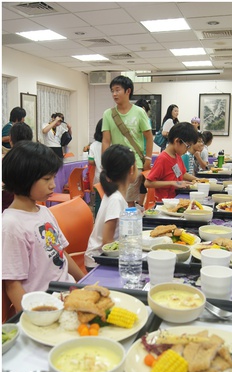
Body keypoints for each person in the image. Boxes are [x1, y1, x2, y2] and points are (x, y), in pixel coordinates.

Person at [2, 141, 85, 312]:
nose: (53, 184)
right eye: (47, 179)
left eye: (53, 177)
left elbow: (61, 253)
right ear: (24, 178)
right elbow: (12, 285)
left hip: (67, 295)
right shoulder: (11, 225)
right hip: (45, 307)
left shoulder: (44, 212)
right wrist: (33, 317)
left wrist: (85, 282)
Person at [101, 75, 153, 207]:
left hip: (134, 164)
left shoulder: (139, 112)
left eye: (117, 90)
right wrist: (105, 164)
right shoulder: (108, 114)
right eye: (112, 91)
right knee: (115, 199)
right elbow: (106, 141)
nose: (114, 94)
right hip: (115, 165)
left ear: (128, 91)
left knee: (129, 201)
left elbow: (149, 137)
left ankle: (127, 220)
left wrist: (148, 159)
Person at [85, 145, 137, 269]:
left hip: (105, 257)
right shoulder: (116, 199)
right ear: (131, 169)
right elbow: (107, 242)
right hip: (98, 261)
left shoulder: (115, 196)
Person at [145, 122, 198, 200]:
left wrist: (197, 180)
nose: (187, 150)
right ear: (177, 141)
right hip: (164, 201)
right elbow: (148, 183)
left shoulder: (177, 156)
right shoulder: (163, 159)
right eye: (187, 146)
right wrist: (172, 183)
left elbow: (182, 174)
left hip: (175, 198)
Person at [2, 122, 34, 212]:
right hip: (31, 205)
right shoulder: (36, 160)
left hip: (7, 207)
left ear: (10, 139)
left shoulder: (6, 161)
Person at [134, 99, 152, 209]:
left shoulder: (136, 119)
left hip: (141, 154)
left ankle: (138, 204)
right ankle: (139, 204)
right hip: (143, 154)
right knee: (142, 181)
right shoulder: (145, 119)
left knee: (140, 181)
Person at [88, 119, 103, 186]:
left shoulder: (93, 145)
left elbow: (90, 161)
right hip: (112, 178)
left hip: (98, 177)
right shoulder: (112, 144)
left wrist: (97, 161)